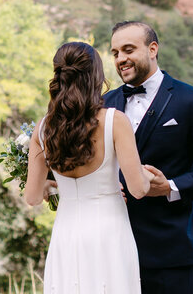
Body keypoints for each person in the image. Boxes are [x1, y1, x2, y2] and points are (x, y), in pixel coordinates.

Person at [104, 20, 193, 294]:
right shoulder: (104, 103)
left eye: (128, 50)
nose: (120, 59)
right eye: (115, 53)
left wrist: (170, 187)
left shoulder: (191, 100)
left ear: (152, 49)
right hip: (112, 246)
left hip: (170, 248)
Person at [25, 41, 151, 294]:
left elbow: (32, 197)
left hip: (66, 234)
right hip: (109, 232)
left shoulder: (42, 128)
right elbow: (138, 189)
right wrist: (146, 175)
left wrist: (55, 186)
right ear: (96, 75)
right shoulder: (115, 121)